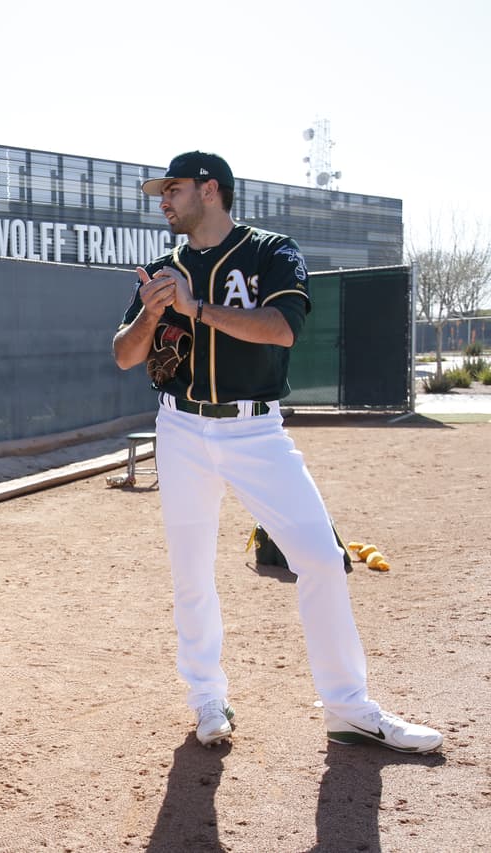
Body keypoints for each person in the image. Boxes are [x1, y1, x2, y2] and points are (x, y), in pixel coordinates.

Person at [112, 151, 442, 754]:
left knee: (319, 556)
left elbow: (283, 328)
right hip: (179, 429)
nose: (163, 199)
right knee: (191, 574)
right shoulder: (163, 267)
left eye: (174, 188)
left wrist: (196, 310)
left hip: (255, 431)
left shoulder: (271, 251)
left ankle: (349, 709)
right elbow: (125, 354)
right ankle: (207, 699)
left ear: (210, 190)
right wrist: (153, 314)